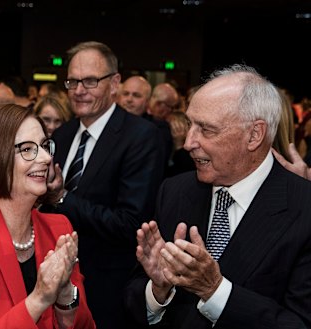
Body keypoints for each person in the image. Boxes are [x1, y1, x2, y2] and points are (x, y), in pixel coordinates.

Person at [124, 64, 311, 328]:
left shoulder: (303, 208)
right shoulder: (175, 191)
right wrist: (158, 290)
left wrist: (215, 290)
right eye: (190, 124)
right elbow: (134, 297)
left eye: (206, 129)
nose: (189, 142)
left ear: (254, 135)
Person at [39, 41, 165, 328]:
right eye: (72, 81)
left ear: (114, 83)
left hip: (107, 289)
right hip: (54, 282)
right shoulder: (64, 133)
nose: (79, 90)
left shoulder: (141, 137)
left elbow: (130, 222)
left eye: (91, 81)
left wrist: (61, 197)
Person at [0, 104, 95, 328]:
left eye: (44, 145)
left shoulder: (59, 227)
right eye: (27, 149)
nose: (44, 157)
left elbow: (85, 326)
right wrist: (39, 299)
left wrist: (64, 295)